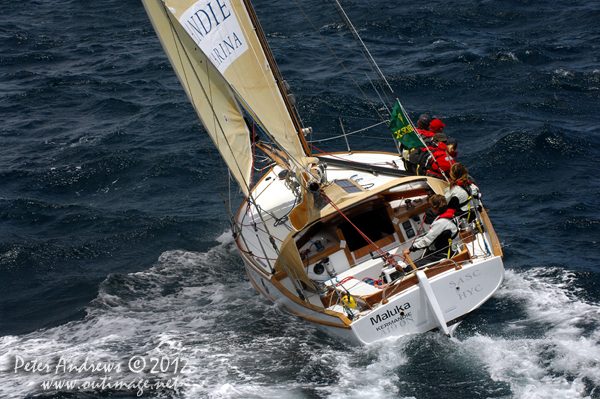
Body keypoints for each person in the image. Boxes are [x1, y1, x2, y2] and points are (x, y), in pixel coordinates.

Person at [406, 194, 459, 268]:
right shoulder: (452, 216)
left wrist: (411, 248)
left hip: (443, 255)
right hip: (449, 251)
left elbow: (427, 240)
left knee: (411, 267)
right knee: (417, 262)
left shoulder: (441, 222)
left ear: (434, 208)